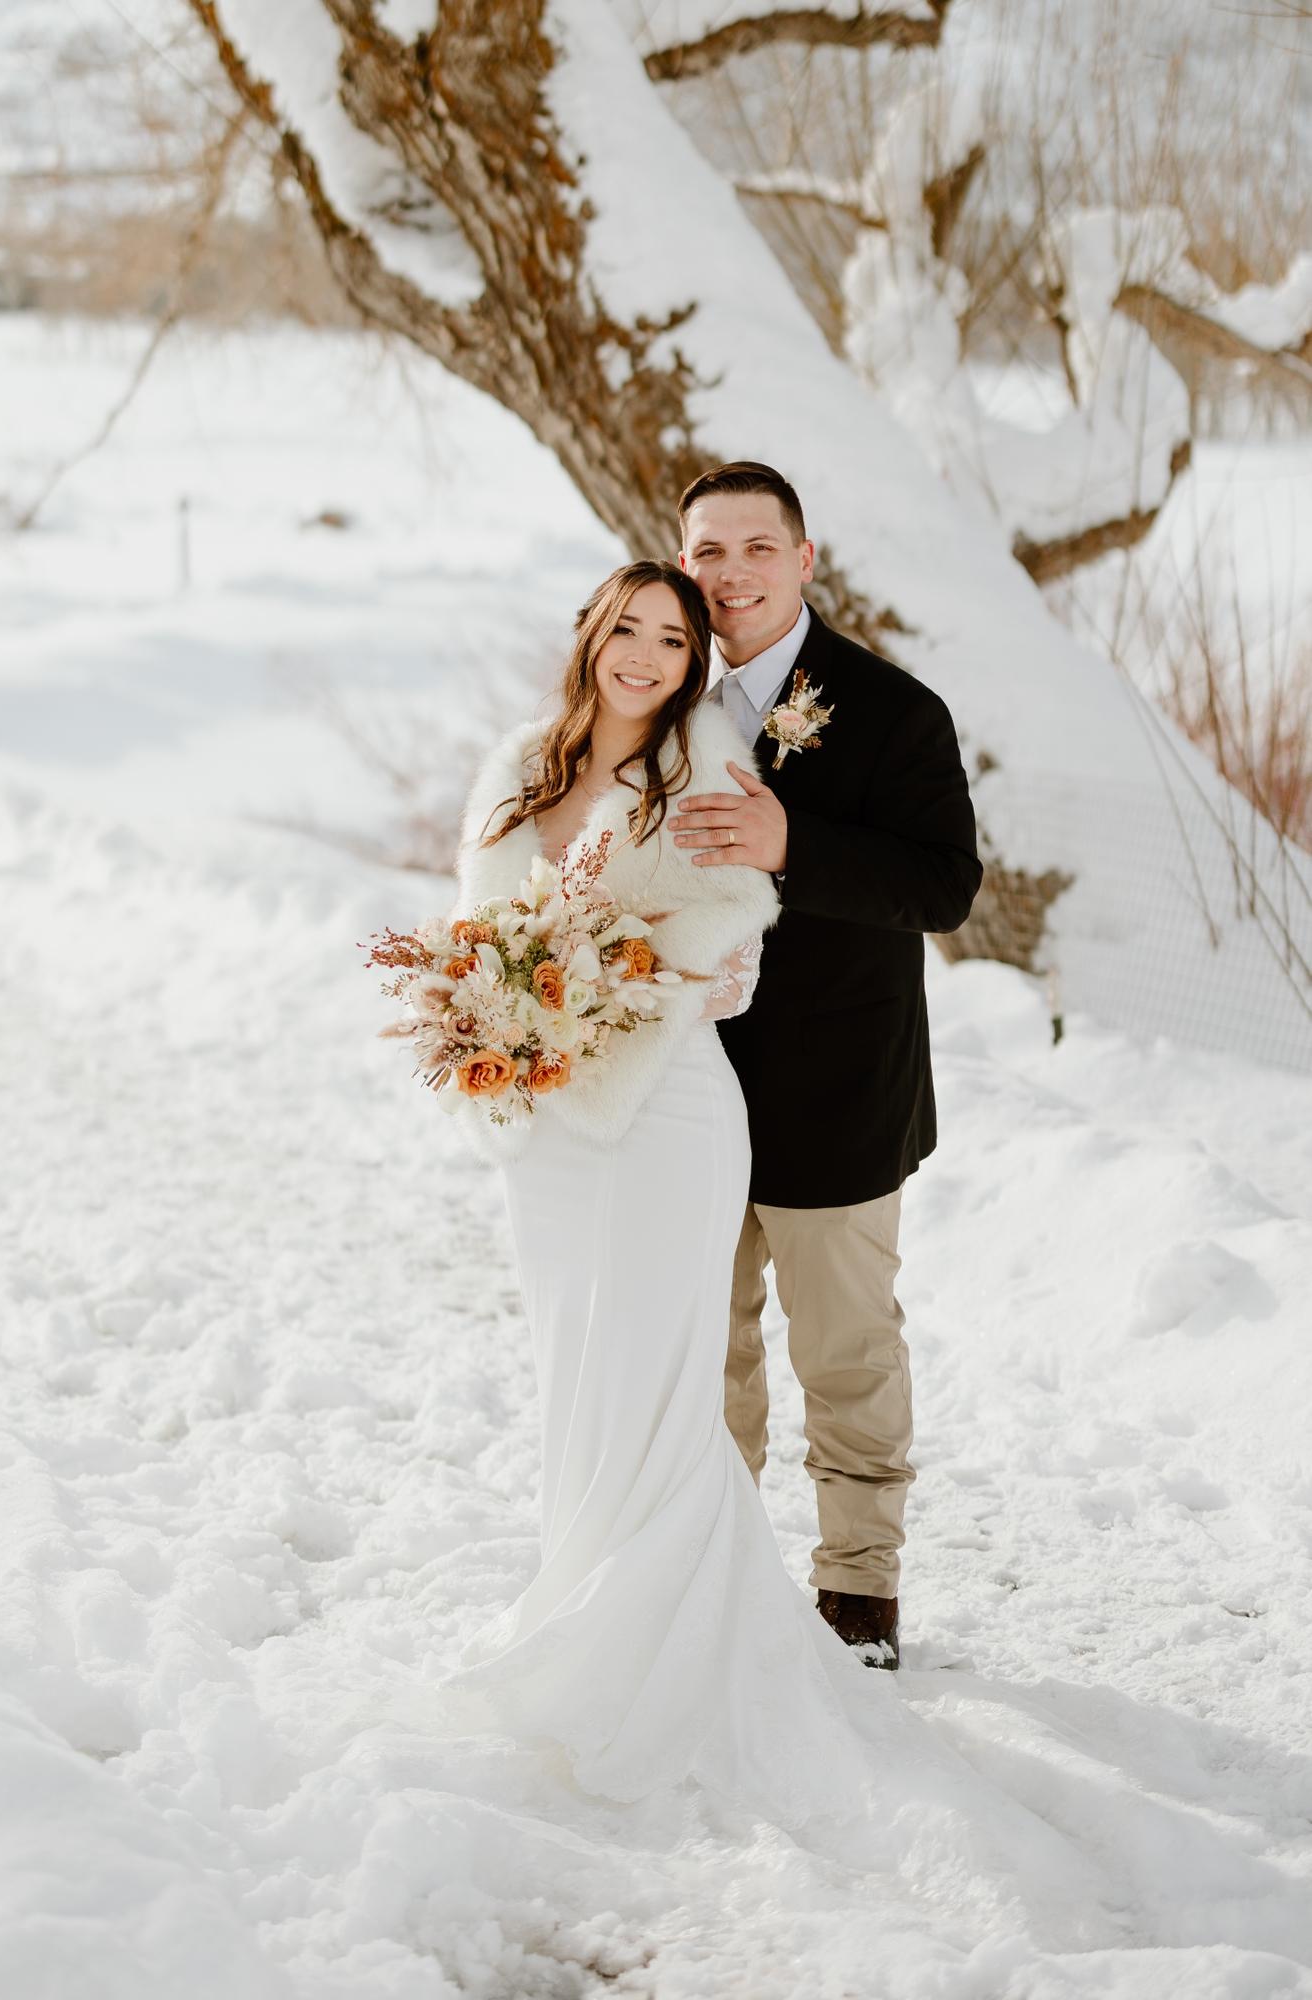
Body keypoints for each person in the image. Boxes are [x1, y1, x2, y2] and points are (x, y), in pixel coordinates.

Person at [435, 559, 922, 1826]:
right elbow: (477, 934)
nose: (644, 655)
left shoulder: (702, 773)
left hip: (667, 1112)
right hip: (549, 1129)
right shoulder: (518, 768)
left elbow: (728, 945)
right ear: (590, 634)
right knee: (575, 1368)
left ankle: (665, 1647)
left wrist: (613, 978)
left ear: (692, 664)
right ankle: (575, 1596)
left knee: (659, 1373)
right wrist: (499, 1010)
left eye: (670, 638)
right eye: (628, 629)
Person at [671, 462, 983, 1671]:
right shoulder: (663, 697)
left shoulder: (893, 710)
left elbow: (942, 886)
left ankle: (858, 1589)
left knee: (845, 1353)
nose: (731, 572)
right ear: (683, 563)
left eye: (757, 547)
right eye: (708, 550)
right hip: (689, 1094)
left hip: (837, 1096)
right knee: (703, 1355)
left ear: (802, 560)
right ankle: (718, 1569)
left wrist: (790, 840)